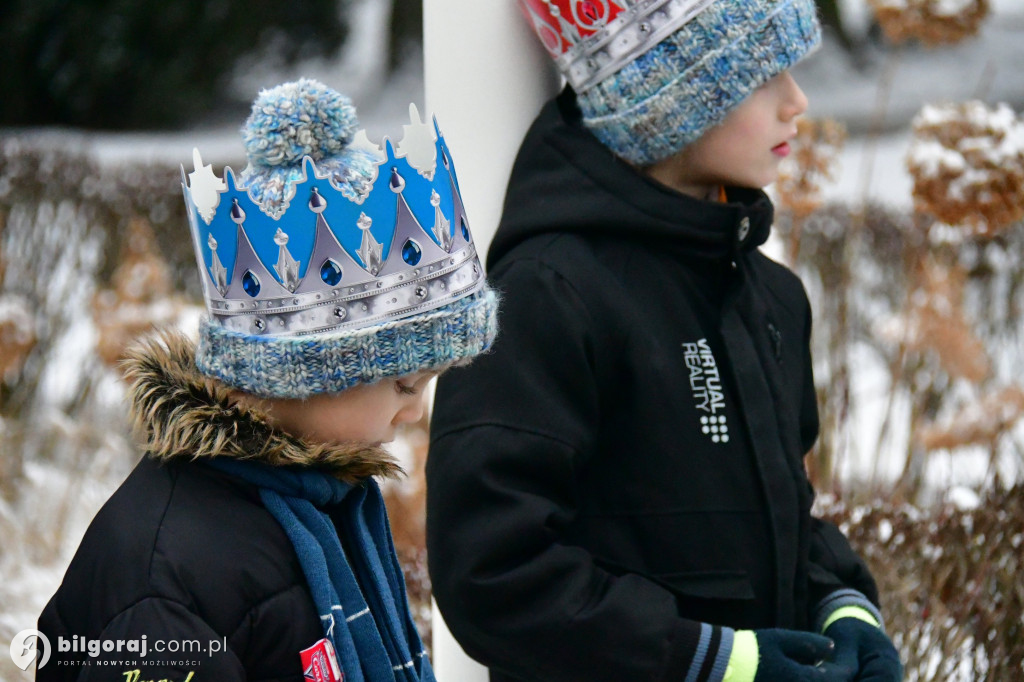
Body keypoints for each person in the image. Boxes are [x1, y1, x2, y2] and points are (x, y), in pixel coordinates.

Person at [425, 2, 902, 681]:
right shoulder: (547, 296)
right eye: (762, 75)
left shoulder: (770, 295)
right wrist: (710, 660)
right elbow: (492, 570)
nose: (797, 102)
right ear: (668, 98)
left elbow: (778, 516)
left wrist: (844, 612)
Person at [37, 78, 498, 682]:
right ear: (301, 372)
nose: (414, 412)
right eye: (405, 384)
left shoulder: (326, 500)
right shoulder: (167, 585)